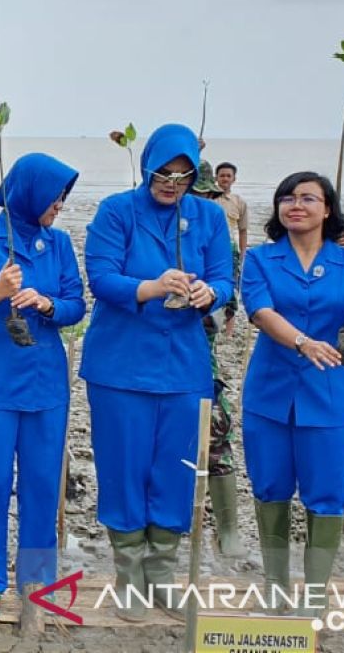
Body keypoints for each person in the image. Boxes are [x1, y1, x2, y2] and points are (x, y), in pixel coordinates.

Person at [81, 123, 233, 621]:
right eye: (163, 174)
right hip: (120, 364)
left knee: (175, 466)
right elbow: (101, 277)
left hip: (184, 366)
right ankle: (128, 573)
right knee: (124, 466)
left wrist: (210, 294)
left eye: (183, 176)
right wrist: (150, 286)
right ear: (147, 167)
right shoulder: (116, 211)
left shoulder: (209, 216)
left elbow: (225, 279)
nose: (172, 183)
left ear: (195, 176)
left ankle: (161, 572)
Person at [0, 153, 86, 617]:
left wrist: (47, 304)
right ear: (28, 193)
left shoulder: (59, 243)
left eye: (64, 198)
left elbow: (75, 305)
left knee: (43, 484)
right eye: (53, 197)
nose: (59, 205)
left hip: (44, 384)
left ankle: (37, 579)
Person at [240, 172, 344, 615]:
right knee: (270, 486)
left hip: (332, 394)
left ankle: (314, 590)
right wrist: (303, 342)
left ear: (327, 209)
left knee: (325, 492)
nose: (296, 204)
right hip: (270, 393)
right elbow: (261, 312)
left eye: (308, 198)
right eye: (287, 197)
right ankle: (274, 584)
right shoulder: (260, 260)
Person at [190, 161, 244, 558]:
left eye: (210, 196)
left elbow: (230, 297)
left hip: (201, 355)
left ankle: (228, 527)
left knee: (217, 434)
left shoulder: (220, 244)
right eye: (199, 194)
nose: (205, 202)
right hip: (156, 359)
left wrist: (213, 301)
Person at [214, 162, 248, 335]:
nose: (225, 179)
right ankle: (212, 321)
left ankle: (229, 329)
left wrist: (243, 254)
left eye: (228, 175)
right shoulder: (209, 198)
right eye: (222, 175)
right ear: (216, 177)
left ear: (234, 179)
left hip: (231, 249)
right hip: (212, 248)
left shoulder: (239, 202)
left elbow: (242, 231)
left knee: (232, 286)